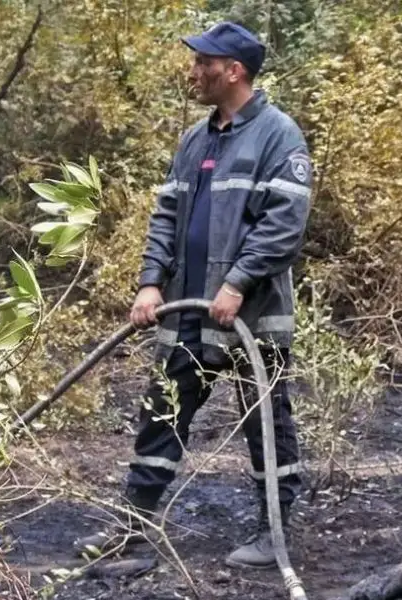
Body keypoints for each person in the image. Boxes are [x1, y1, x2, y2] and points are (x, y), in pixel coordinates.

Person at [73, 21, 313, 570]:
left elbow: (284, 226)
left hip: (249, 317)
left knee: (266, 424)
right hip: (185, 311)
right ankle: (133, 536)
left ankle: (271, 537)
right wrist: (150, 281)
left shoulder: (279, 136)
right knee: (161, 414)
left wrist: (236, 283)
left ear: (234, 70)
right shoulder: (195, 139)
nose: (194, 70)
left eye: (204, 61)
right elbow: (166, 217)